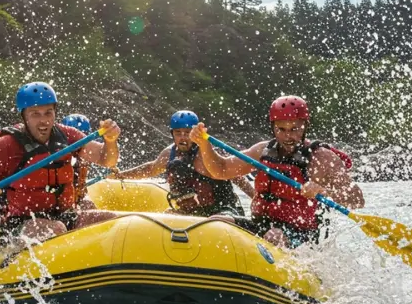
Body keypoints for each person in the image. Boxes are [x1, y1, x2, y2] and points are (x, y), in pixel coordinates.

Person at [188, 95, 364, 248]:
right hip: (262, 224)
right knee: (216, 222)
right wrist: (204, 144)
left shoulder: (322, 158)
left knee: (274, 236)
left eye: (294, 129)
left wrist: (322, 190)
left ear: (305, 126)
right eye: (281, 129)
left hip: (303, 236)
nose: (288, 136)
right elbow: (222, 170)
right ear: (273, 127)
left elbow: (357, 200)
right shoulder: (262, 151)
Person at [0, 83, 121, 242]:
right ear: (24, 116)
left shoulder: (67, 136)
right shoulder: (6, 146)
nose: (43, 121)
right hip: (19, 225)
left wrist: (110, 141)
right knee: (56, 229)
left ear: (55, 112)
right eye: (35, 114)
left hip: (64, 215)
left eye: (48, 113)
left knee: (112, 221)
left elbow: (106, 160)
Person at [112, 110, 255, 217]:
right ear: (172, 133)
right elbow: (151, 169)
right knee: (165, 215)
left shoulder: (208, 153)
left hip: (222, 211)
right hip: (190, 213)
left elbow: (237, 178)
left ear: (194, 133)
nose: (182, 138)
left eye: (187, 133)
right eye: (178, 133)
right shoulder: (169, 154)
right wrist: (120, 175)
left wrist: (256, 199)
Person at [61, 113, 98, 210]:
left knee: (89, 205)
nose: (77, 144)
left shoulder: (85, 154)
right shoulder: (58, 154)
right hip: (61, 201)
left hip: (78, 198)